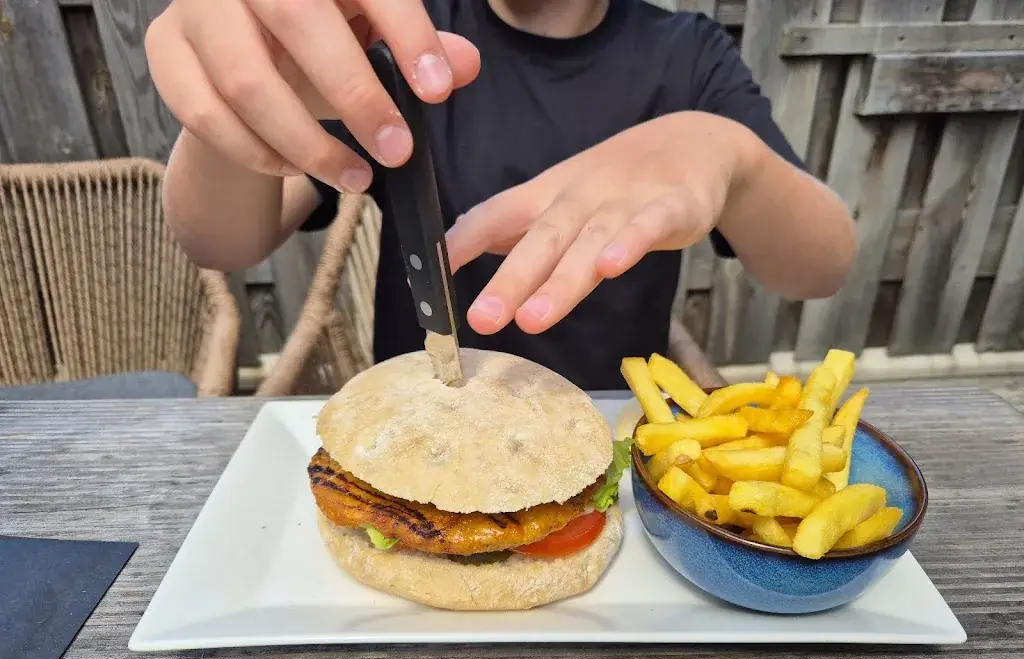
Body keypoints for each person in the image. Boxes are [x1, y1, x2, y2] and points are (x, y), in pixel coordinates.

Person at [147, 0, 856, 390]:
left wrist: (730, 154)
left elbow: (820, 267)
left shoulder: (687, 53)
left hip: (612, 431)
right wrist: (235, 101)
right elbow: (222, 242)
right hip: (424, 412)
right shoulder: (396, 34)